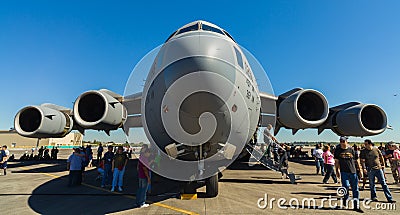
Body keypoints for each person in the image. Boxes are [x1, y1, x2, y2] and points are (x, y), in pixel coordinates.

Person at [334, 136, 362, 211]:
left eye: (343, 141)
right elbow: (336, 161)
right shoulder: (338, 150)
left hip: (353, 172)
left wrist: (360, 170)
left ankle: (356, 206)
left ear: (346, 141)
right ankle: (345, 201)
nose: (342, 143)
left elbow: (357, 160)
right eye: (340, 141)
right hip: (344, 172)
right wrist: (337, 171)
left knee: (355, 189)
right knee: (345, 186)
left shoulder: (351, 150)